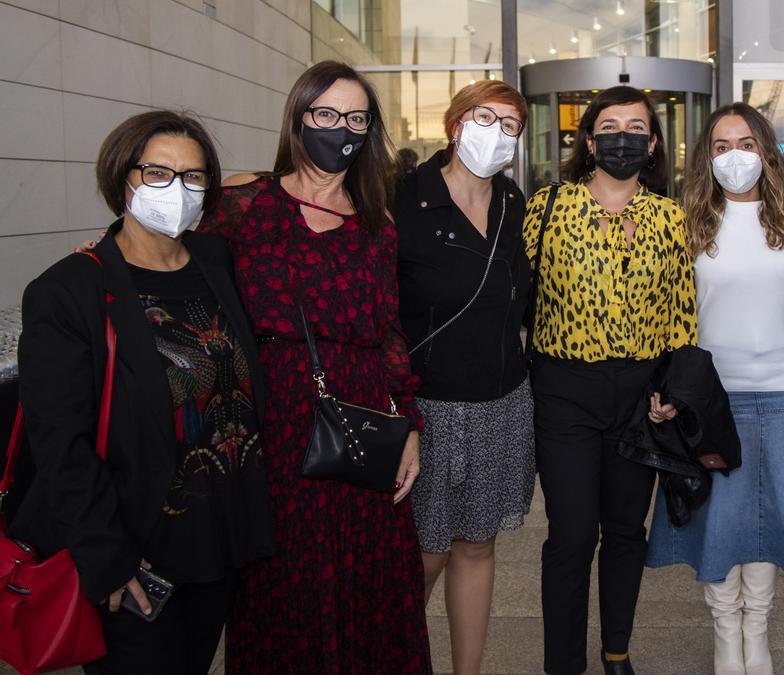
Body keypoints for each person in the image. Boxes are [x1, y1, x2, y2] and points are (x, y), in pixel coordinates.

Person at [10, 111, 274, 674]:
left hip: (221, 541)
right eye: (157, 172)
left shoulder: (214, 262)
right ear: (121, 176)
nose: (176, 189)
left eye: (194, 176)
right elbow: (60, 444)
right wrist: (106, 558)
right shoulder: (68, 291)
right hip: (137, 555)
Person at [198, 61, 432, 673]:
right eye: (326, 114)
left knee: (370, 583)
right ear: (299, 118)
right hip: (271, 421)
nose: (341, 128)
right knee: (282, 584)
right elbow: (168, 262)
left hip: (359, 424)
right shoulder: (243, 207)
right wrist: (104, 253)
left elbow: (388, 332)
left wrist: (407, 423)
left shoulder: (377, 224)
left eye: (356, 117)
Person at [645, 102, 784, 675]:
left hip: (781, 395)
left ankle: (758, 630)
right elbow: (666, 312)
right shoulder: (690, 220)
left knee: (772, 516)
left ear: (766, 150)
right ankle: (726, 629)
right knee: (719, 522)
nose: (734, 156)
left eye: (745, 144)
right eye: (721, 147)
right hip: (709, 400)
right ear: (707, 157)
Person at [524, 85, 697, 675]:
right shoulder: (545, 208)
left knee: (626, 530)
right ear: (589, 138)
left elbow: (682, 315)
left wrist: (673, 393)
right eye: (610, 126)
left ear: (652, 144)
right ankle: (562, 664)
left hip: (640, 399)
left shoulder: (670, 219)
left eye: (635, 128)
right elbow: (513, 300)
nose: (622, 137)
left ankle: (617, 651)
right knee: (572, 535)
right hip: (563, 392)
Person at [393, 80, 534, 675]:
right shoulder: (401, 200)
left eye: (511, 125)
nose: (496, 133)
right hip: (430, 411)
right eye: (485, 117)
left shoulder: (512, 202)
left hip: (502, 402)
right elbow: (382, 317)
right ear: (454, 124)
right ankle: (386, 657)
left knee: (477, 545)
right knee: (424, 555)